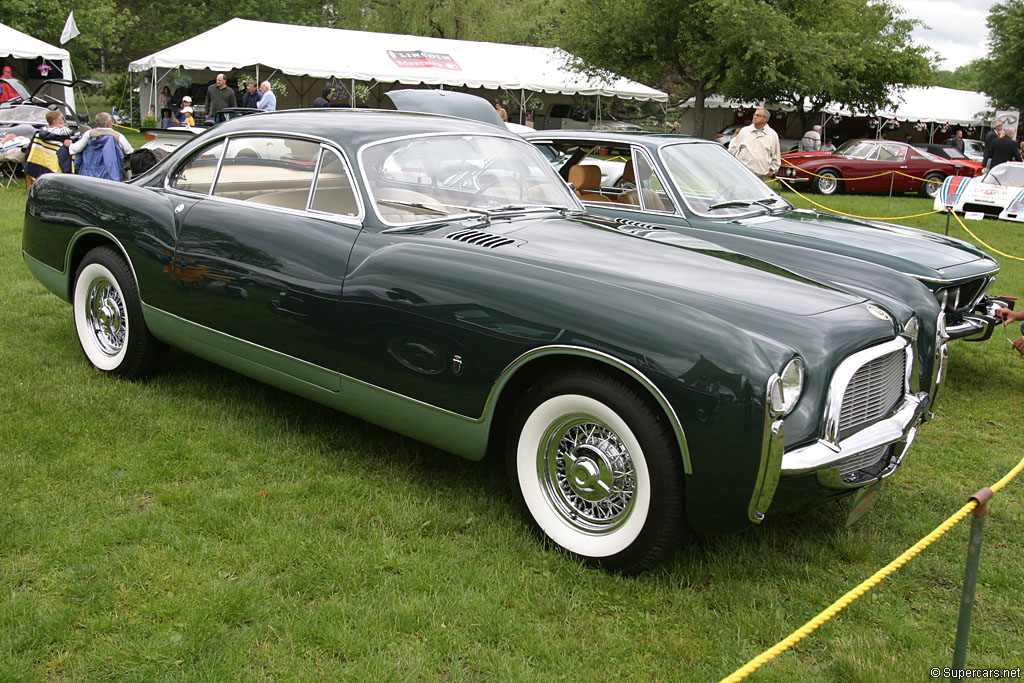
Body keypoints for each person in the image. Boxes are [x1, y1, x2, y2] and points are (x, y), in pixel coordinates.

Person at [69, 112, 133, 181]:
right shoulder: (118, 136)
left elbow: (75, 149)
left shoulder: (88, 134)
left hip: (88, 175)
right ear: (109, 124)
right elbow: (129, 151)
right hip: (111, 176)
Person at [24, 110, 75, 189]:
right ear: (54, 121)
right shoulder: (61, 132)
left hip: (40, 161)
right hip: (55, 163)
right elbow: (68, 132)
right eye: (60, 120)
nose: (62, 121)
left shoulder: (40, 133)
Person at [728, 108, 781, 179]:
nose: (755, 117)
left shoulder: (772, 134)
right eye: (754, 114)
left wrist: (773, 170)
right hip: (743, 171)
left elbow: (776, 155)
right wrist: (727, 162)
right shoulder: (744, 131)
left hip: (761, 174)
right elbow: (733, 148)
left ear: (765, 119)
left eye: (758, 115)